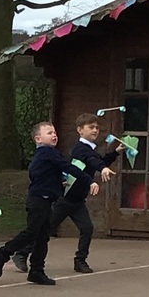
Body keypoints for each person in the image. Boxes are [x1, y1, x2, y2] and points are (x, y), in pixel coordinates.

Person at [0, 121, 68, 286]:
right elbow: (41, 172)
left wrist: (59, 181)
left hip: (46, 199)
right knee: (32, 232)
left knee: (42, 236)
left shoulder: (48, 155)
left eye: (55, 132)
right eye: (49, 133)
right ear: (38, 139)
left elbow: (44, 173)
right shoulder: (45, 152)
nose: (54, 135)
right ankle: (2, 253)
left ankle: (37, 271)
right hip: (38, 199)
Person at [51, 115, 115, 274]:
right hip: (65, 198)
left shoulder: (90, 149)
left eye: (97, 128)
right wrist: (102, 168)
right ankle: (22, 253)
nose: (95, 130)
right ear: (80, 130)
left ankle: (80, 260)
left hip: (77, 200)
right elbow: (94, 161)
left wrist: (116, 153)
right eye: (91, 127)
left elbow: (99, 161)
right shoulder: (81, 149)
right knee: (45, 228)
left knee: (87, 228)